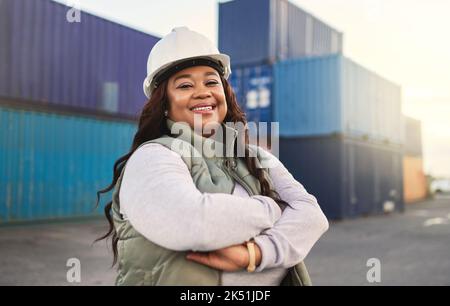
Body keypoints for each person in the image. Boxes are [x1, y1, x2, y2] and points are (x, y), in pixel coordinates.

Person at [96, 27, 329, 286]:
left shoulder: (254, 156)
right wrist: (276, 209)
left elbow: (312, 214)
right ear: (163, 104)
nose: (202, 92)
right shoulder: (152, 157)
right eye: (185, 85)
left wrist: (256, 252)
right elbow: (195, 222)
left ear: (224, 93)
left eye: (211, 81)